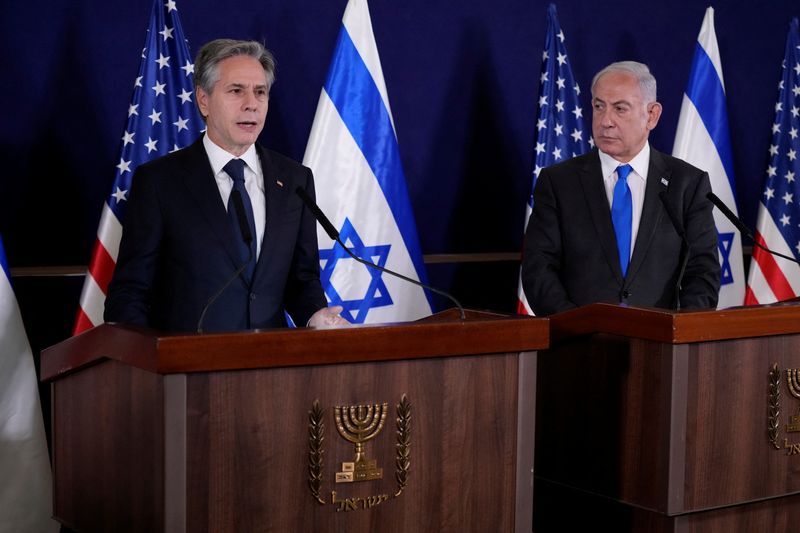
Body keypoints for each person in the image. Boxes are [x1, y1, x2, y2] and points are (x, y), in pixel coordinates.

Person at [105, 39, 346, 332]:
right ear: (203, 100)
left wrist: (315, 315)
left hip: (274, 365)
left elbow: (302, 279)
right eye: (236, 91)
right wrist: (142, 362)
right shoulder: (159, 181)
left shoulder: (295, 179)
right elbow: (130, 291)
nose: (251, 104)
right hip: (186, 367)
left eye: (260, 92)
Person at [522, 61, 720, 316]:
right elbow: (539, 270)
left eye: (620, 109)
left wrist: (679, 334)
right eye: (599, 106)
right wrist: (576, 327)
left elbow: (703, 272)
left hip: (661, 346)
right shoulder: (558, 182)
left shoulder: (687, 184)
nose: (606, 121)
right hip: (577, 345)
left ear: (652, 115)